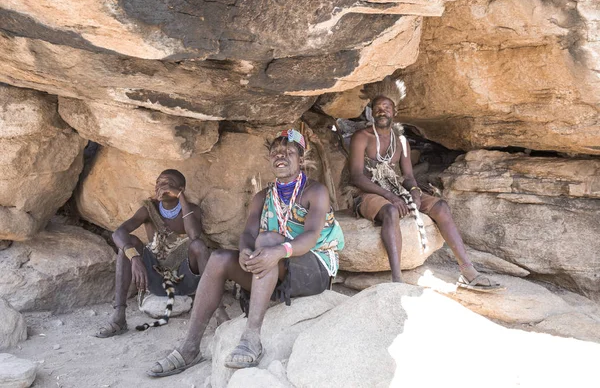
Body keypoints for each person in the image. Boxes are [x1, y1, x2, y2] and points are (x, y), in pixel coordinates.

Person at [147, 129, 344, 377]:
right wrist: (244, 251)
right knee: (219, 258)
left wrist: (277, 250)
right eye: (275, 153)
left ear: (301, 159)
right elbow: (248, 234)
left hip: (314, 266)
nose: (280, 156)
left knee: (269, 239)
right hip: (277, 266)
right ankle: (189, 348)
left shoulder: (315, 191)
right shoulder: (263, 196)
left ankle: (252, 337)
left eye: (289, 152)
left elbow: (311, 236)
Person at [349, 95, 503, 291]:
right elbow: (356, 176)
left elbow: (408, 176)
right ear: (371, 112)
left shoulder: (401, 141)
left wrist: (413, 191)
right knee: (391, 212)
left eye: (387, 107)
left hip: (395, 188)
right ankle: (397, 281)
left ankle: (468, 271)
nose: (382, 111)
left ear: (394, 112)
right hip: (368, 191)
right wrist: (390, 197)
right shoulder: (362, 137)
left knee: (441, 206)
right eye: (378, 107)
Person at [95, 169, 221, 338]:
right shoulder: (149, 209)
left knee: (198, 245)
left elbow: (194, 235)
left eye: (167, 183)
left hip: (185, 278)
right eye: (158, 183)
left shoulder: (191, 210)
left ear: (180, 188)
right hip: (156, 278)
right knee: (127, 244)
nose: (160, 187)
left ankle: (219, 311)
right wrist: (135, 258)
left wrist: (181, 198)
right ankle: (119, 316)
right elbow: (118, 233)